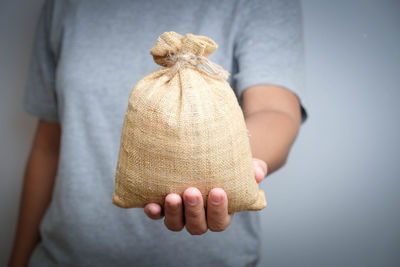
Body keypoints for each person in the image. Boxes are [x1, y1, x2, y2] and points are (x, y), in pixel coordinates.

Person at [9, 0, 307, 266]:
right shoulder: (65, 5)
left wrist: (243, 167)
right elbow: (48, 146)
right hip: (63, 256)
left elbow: (275, 111)